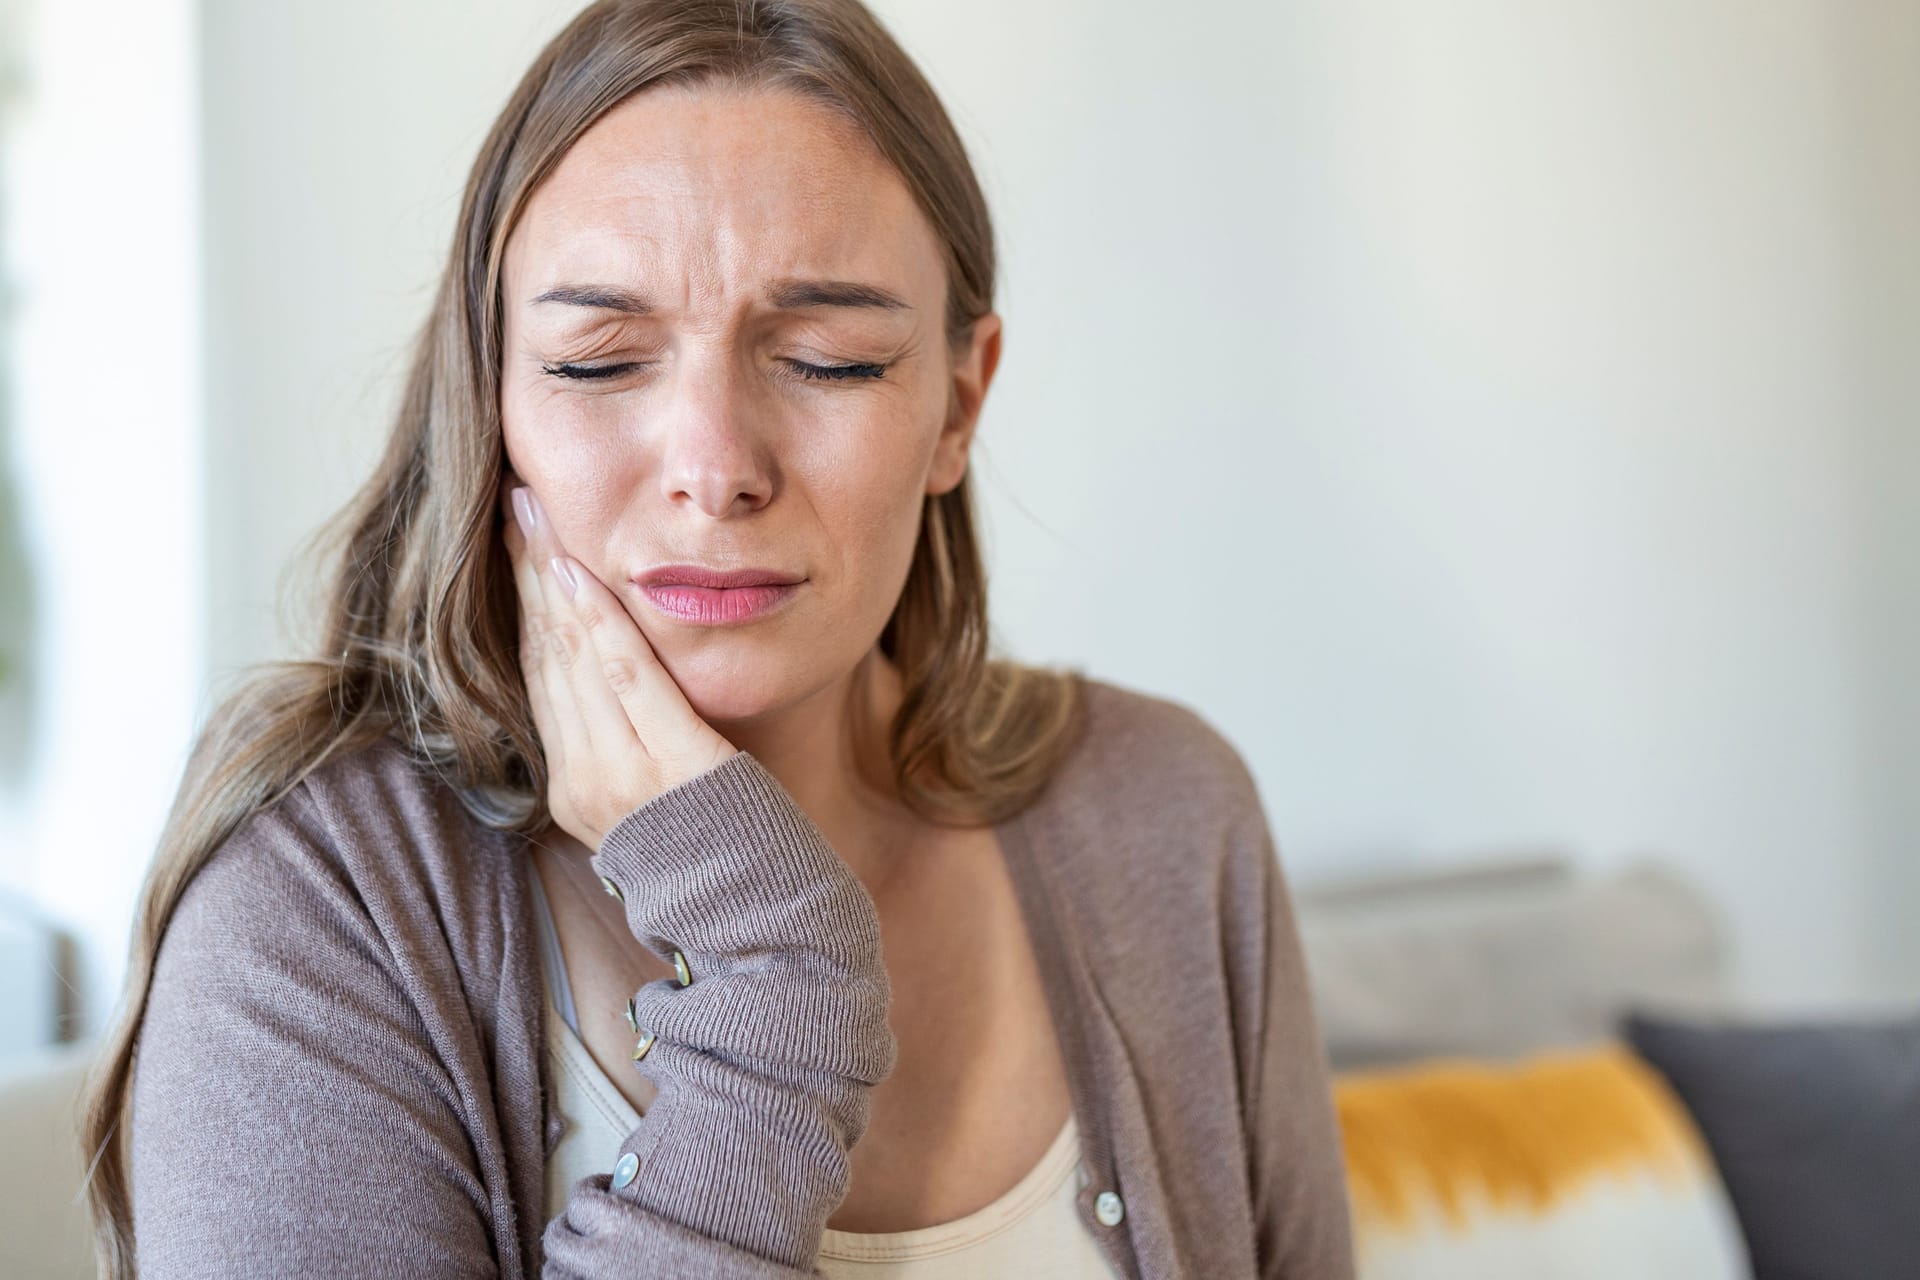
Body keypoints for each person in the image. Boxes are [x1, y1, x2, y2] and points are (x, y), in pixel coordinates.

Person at [78, 1, 1356, 1276]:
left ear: (959, 405)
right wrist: (776, 977)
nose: (716, 466)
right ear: (497, 393)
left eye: (828, 357)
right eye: (598, 361)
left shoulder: (1169, 816)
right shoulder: (318, 901)